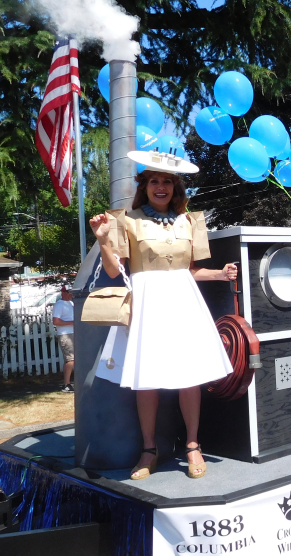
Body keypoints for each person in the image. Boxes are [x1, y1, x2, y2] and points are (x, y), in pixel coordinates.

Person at [89, 151, 237, 480]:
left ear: (175, 187)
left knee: (189, 378)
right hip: (147, 305)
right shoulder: (126, 220)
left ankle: (193, 445)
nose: (160, 187)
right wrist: (103, 241)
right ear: (144, 185)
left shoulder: (191, 221)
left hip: (184, 303)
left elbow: (192, 270)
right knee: (147, 381)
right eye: (154, 181)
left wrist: (220, 274)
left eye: (167, 182)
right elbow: (115, 270)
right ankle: (149, 449)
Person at [52, 285, 75, 392]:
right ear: (63, 292)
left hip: (74, 333)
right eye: (68, 292)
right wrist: (72, 323)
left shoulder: (71, 303)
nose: (71, 294)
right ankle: (66, 384)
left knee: (74, 359)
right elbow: (56, 321)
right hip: (65, 335)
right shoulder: (59, 305)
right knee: (70, 359)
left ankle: (71, 382)